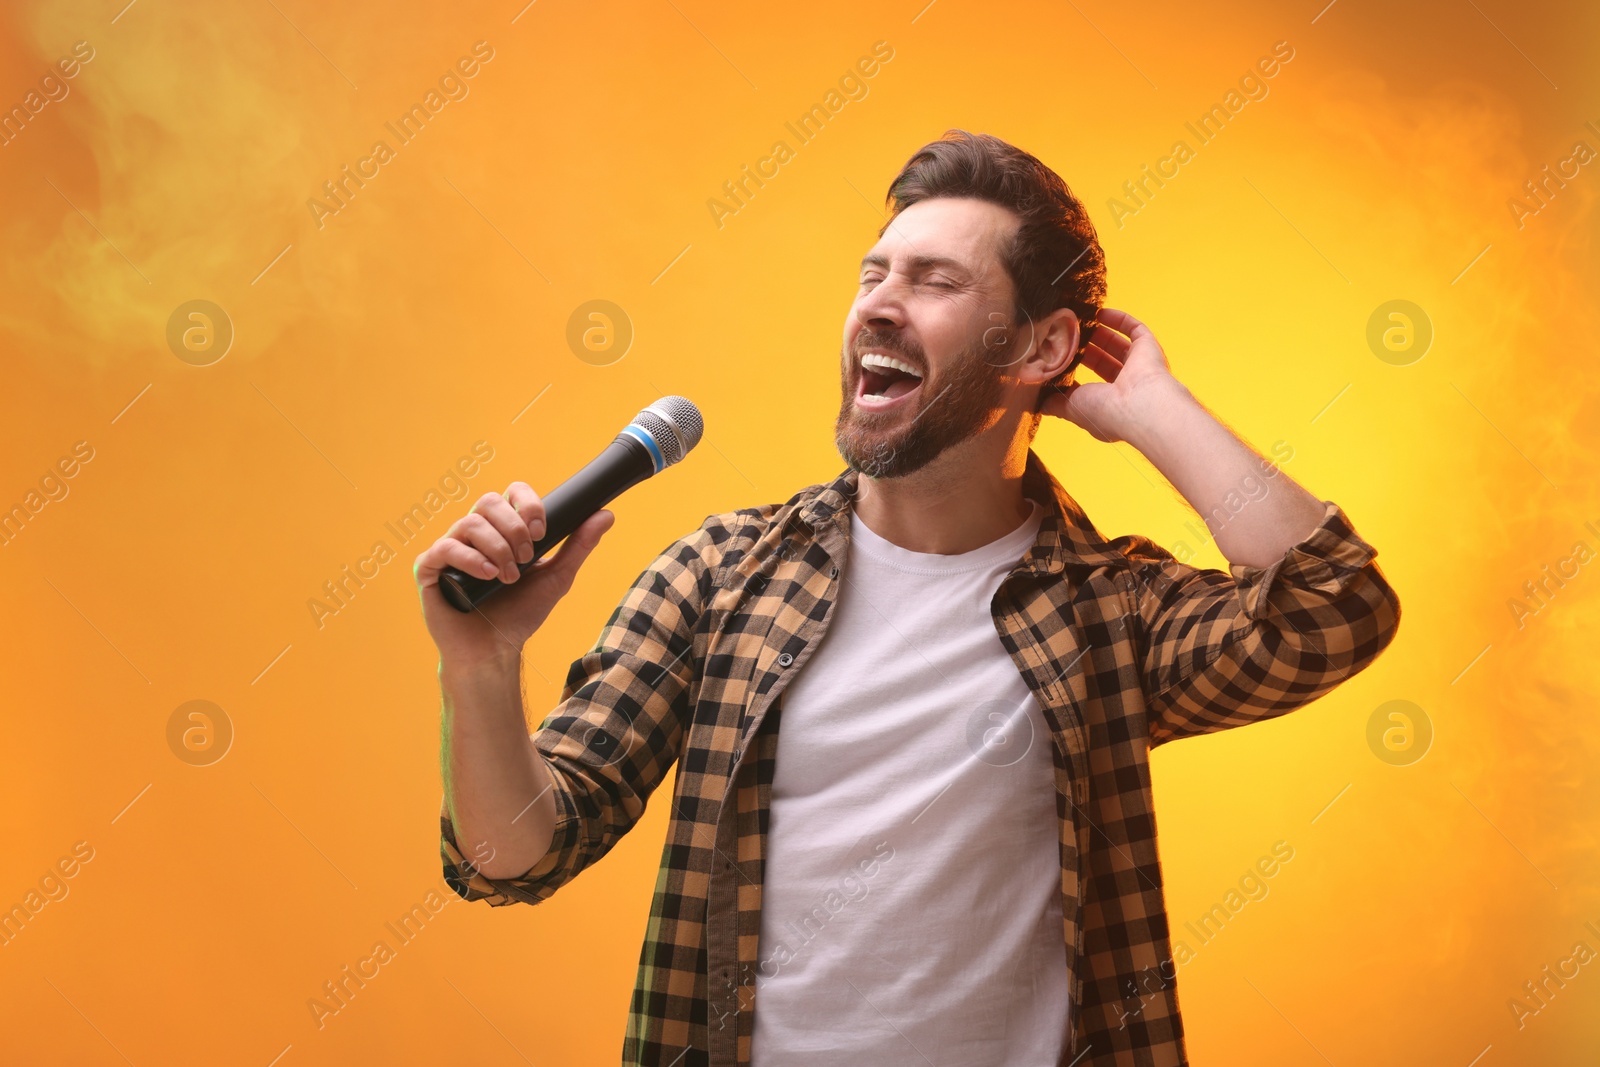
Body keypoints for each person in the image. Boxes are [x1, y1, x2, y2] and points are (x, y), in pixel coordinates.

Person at [414, 129, 1401, 1067]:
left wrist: (1153, 411)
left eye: (935, 281)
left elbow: (1332, 605)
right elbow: (510, 855)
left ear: (1041, 345)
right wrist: (481, 666)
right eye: (872, 274)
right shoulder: (718, 579)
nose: (879, 306)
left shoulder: (1111, 611)